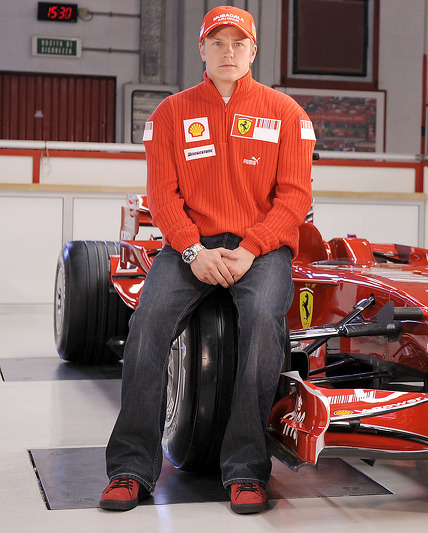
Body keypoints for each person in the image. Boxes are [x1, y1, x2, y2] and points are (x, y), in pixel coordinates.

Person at [100, 6, 314, 513]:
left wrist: (251, 250)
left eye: (238, 43)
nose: (228, 51)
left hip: (258, 248)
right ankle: (131, 469)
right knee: (147, 326)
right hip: (187, 247)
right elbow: (163, 195)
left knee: (264, 326)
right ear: (201, 49)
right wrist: (193, 250)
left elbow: (295, 198)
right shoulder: (170, 114)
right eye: (217, 42)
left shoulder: (287, 114)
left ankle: (244, 469)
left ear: (253, 52)